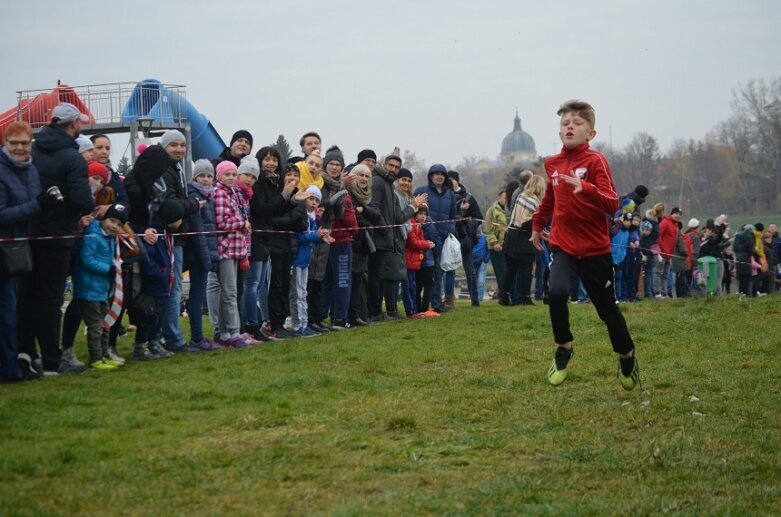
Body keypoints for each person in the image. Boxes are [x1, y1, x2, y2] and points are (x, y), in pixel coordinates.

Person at [531, 99, 639, 390]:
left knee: (607, 312)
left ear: (591, 133)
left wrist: (586, 188)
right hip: (563, 245)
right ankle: (564, 347)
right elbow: (550, 200)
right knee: (555, 293)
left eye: (577, 123)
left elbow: (612, 202)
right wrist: (537, 225)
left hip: (595, 250)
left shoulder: (596, 161)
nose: (570, 126)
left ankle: (627, 354)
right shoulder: (552, 164)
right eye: (565, 123)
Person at [18, 102, 94, 376]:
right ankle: (52, 360)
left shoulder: (33, 151)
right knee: (51, 298)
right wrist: (86, 205)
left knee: (28, 295)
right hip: (59, 232)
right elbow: (83, 200)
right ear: (73, 124)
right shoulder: (72, 158)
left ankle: (26, 352)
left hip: (30, 230)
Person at [0, 122, 50, 382]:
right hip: (5, 247)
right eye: (13, 143)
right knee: (7, 313)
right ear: (5, 143)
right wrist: (37, 205)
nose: (19, 148)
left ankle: (17, 361)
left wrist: (47, 204)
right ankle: (8, 369)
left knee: (18, 311)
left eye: (24, 143)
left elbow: (34, 205)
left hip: (21, 247)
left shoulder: (31, 169)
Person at [368, 153, 427, 320]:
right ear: (385, 165)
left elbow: (399, 217)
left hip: (392, 237)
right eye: (391, 166)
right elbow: (393, 216)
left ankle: (383, 311)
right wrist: (412, 207)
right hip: (385, 236)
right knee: (384, 277)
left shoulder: (390, 187)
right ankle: (381, 311)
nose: (393, 169)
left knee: (388, 276)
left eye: (396, 167)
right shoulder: (380, 183)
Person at [72, 203, 129, 370]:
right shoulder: (93, 236)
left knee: (106, 324)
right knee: (95, 326)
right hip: (88, 288)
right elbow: (86, 260)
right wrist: (109, 270)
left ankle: (105, 355)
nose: (114, 226)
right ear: (104, 219)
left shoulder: (110, 239)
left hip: (102, 288)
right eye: (112, 221)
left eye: (119, 225)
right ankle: (95, 358)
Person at [213, 161, 253, 348]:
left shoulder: (233, 194)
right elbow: (221, 223)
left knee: (228, 292)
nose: (231, 177)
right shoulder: (220, 194)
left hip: (236, 248)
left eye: (233, 174)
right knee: (230, 292)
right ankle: (234, 331)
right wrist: (240, 222)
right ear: (220, 175)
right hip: (226, 249)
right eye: (227, 174)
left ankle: (225, 332)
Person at [184, 159, 221, 350]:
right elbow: (199, 231)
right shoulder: (195, 197)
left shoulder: (210, 196)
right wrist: (207, 259)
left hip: (204, 251)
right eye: (202, 176)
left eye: (209, 176)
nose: (206, 180)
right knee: (197, 296)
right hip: (197, 253)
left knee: (197, 295)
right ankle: (197, 337)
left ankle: (197, 336)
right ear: (195, 177)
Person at [319, 146, 357, 329]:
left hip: (341, 241)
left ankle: (339, 317)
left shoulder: (343, 189)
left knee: (340, 280)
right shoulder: (320, 186)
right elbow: (350, 219)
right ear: (325, 165)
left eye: (338, 164)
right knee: (331, 281)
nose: (334, 168)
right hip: (327, 240)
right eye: (331, 164)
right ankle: (329, 316)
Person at [291, 186, 333, 338]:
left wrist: (322, 238)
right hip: (297, 260)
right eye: (311, 198)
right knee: (297, 294)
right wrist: (317, 235)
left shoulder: (313, 217)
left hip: (306, 260)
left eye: (317, 200)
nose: (314, 202)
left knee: (303, 292)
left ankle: (304, 323)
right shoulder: (301, 215)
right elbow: (301, 238)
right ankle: (297, 326)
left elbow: (313, 237)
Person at [413, 164, 456, 312]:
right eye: (436, 174)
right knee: (421, 274)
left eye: (442, 174)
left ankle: (436, 304)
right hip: (423, 239)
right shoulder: (421, 191)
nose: (439, 177)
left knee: (438, 272)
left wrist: (450, 229)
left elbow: (453, 216)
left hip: (442, 241)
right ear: (431, 176)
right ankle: (416, 305)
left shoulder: (450, 194)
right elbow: (414, 212)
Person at [345, 164, 382, 327]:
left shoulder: (369, 196)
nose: (364, 179)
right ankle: (343, 315)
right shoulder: (347, 194)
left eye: (367, 176)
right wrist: (363, 214)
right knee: (346, 281)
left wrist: (363, 209)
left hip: (363, 246)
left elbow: (377, 217)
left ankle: (355, 315)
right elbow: (352, 218)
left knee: (358, 280)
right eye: (360, 175)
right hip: (349, 242)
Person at [503, 175, 546, 306]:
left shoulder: (520, 196)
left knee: (511, 269)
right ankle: (524, 297)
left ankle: (504, 296)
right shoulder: (534, 201)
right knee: (526, 269)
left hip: (511, 234)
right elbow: (530, 222)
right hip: (524, 237)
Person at [447, 171, 483, 307]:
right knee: (449, 269)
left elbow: (478, 217)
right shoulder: (445, 196)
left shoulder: (469, 197)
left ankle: (475, 299)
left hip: (465, 237)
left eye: (452, 180)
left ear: (457, 181)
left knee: (470, 269)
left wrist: (469, 225)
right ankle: (449, 300)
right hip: (450, 237)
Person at [404, 205, 435, 317]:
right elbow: (412, 242)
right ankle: (412, 311)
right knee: (411, 287)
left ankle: (416, 311)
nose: (423, 216)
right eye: (421, 214)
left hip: (415, 260)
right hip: (410, 260)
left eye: (425, 214)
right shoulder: (412, 224)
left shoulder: (419, 226)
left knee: (414, 286)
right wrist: (427, 244)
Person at [483, 189, 507, 300]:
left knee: (507, 272)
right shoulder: (492, 210)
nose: (505, 200)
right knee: (500, 272)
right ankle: (502, 295)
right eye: (504, 198)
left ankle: (506, 294)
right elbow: (488, 229)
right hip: (496, 247)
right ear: (499, 198)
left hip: (507, 246)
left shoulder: (508, 210)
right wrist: (495, 242)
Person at [658, 206, 682, 298]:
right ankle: (658, 293)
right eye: (676, 214)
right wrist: (663, 249)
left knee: (666, 275)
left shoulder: (675, 225)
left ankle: (664, 293)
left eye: (679, 214)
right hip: (663, 253)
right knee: (660, 273)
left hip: (670, 255)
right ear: (672, 214)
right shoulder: (665, 222)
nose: (678, 216)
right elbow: (658, 235)